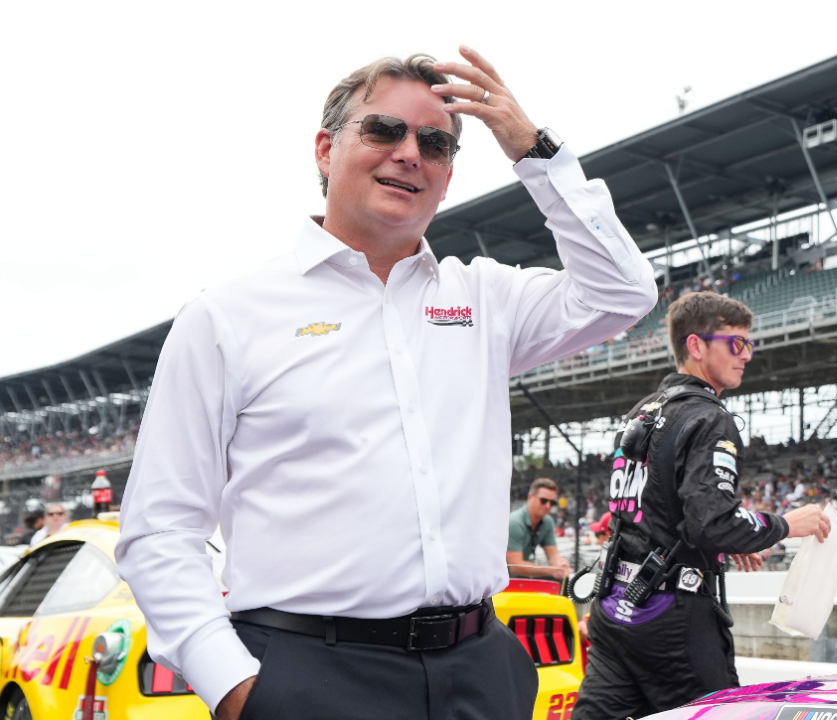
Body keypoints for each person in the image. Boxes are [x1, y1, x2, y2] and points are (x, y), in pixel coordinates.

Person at [115, 50, 658, 720]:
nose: (410, 153)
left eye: (435, 143)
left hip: (479, 670)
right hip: (307, 673)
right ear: (324, 149)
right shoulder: (227, 318)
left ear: (449, 174)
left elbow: (624, 293)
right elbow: (160, 528)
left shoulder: (484, 297)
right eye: (383, 131)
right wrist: (236, 690)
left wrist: (534, 151)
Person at [574, 292, 830, 720]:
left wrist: (725, 537)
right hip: (669, 620)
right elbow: (712, 523)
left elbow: (655, 511)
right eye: (736, 344)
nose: (746, 355)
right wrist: (784, 524)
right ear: (695, 346)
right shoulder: (708, 417)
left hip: (615, 609)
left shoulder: (643, 412)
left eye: (749, 344)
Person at [508, 478, 572, 579]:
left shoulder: (547, 521)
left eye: (552, 503)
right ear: (530, 497)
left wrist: (561, 564)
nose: (548, 506)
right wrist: (553, 569)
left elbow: (553, 554)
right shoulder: (514, 522)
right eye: (543, 500)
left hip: (518, 579)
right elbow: (515, 566)